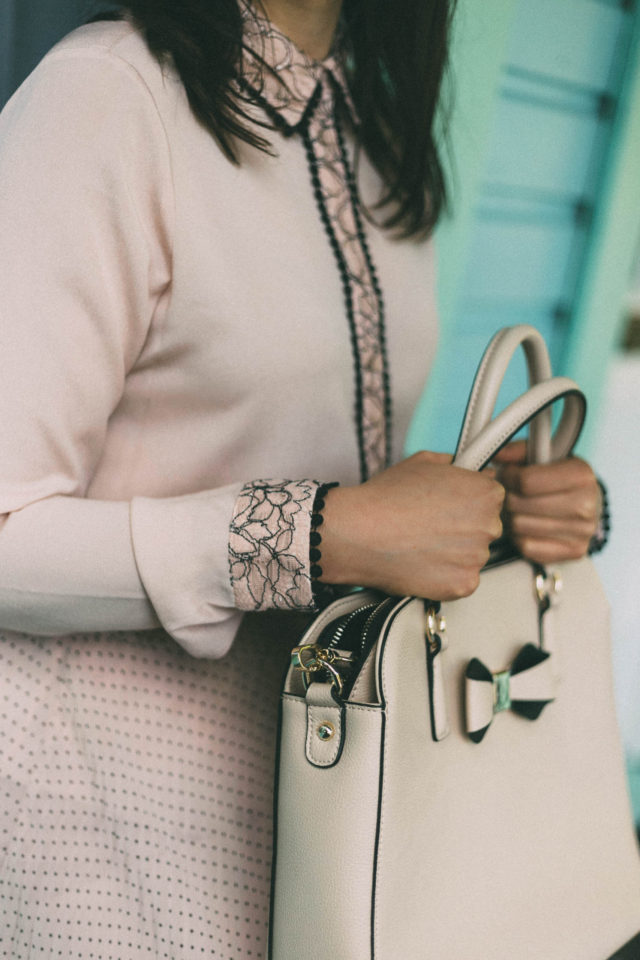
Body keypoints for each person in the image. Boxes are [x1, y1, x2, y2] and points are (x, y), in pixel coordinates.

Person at [0, 0, 604, 956]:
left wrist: (506, 513)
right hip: (105, 822)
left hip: (332, 804)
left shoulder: (371, 125)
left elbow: (358, 485)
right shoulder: (108, 101)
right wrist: (317, 535)